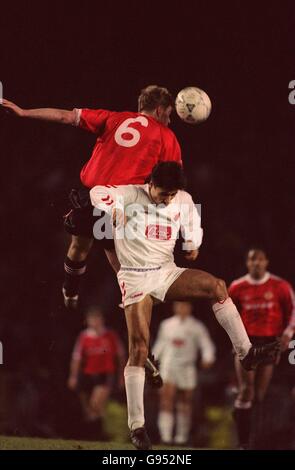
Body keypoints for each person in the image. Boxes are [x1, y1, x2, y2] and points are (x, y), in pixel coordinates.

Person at [90, 161, 280, 450]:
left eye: (171, 195)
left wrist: (193, 243)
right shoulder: (129, 194)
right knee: (139, 349)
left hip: (167, 272)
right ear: (150, 184)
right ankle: (137, 427)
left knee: (217, 286)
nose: (166, 199)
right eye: (162, 193)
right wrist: (112, 209)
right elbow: (96, 192)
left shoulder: (183, 199)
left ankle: (247, 353)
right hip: (135, 277)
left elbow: (193, 230)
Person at [0, 86, 181, 309]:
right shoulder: (166, 136)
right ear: (161, 109)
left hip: (92, 195)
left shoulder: (114, 118)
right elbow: (172, 179)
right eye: (170, 114)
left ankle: (70, 290)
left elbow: (65, 116)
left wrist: (25, 112)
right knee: (121, 258)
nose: (170, 120)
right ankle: (136, 297)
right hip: (123, 203)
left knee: (79, 247)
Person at [229, 248, 295, 449]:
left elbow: (293, 312)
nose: (256, 263)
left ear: (266, 262)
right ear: (247, 263)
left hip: (269, 343)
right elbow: (228, 314)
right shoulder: (237, 286)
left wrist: (287, 334)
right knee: (247, 390)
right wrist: (234, 339)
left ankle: (240, 413)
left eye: (259, 260)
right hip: (246, 342)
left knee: (258, 396)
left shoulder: (280, 285)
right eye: (252, 260)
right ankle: (244, 444)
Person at [153, 301, 216, 445]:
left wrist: (208, 357)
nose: (181, 308)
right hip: (169, 366)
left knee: (185, 403)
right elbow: (160, 344)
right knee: (166, 401)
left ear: (190, 307)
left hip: (187, 368)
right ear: (174, 307)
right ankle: (166, 438)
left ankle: (181, 438)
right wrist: (152, 361)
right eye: (179, 305)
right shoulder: (166, 324)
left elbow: (206, 344)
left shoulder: (196, 326)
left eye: (185, 305)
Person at [67, 307, 125, 440]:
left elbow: (121, 356)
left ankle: (99, 435)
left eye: (97, 319)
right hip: (88, 374)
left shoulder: (110, 335)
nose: (95, 322)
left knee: (96, 403)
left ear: (102, 320)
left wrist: (121, 376)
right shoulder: (84, 336)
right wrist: (73, 376)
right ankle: (98, 435)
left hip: (105, 374)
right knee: (90, 410)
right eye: (92, 319)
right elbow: (76, 358)